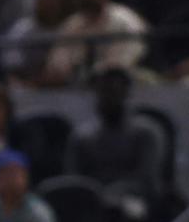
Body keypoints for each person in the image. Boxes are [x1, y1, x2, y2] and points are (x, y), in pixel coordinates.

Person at [64, 67, 163, 209]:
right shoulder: (81, 137)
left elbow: (147, 180)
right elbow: (73, 179)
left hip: (133, 203)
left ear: (125, 93)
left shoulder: (145, 133)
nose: (106, 98)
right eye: (101, 92)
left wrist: (117, 193)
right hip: (91, 202)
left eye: (112, 91)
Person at [45, 0, 148, 81]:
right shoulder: (72, 24)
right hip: (73, 89)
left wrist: (96, 72)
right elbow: (57, 63)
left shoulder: (124, 19)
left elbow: (126, 60)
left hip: (122, 87)